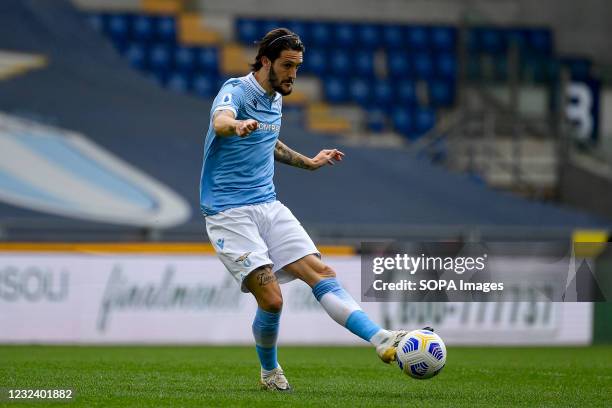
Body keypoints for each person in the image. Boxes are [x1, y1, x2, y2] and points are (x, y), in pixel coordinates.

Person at [200, 28, 418, 391]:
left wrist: (310, 162)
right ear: (266, 61)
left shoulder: (276, 100)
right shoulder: (237, 91)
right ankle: (269, 372)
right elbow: (220, 121)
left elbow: (270, 142)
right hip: (228, 212)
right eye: (287, 65)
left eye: (298, 67)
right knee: (272, 300)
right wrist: (235, 125)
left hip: (267, 203)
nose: (293, 75)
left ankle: (382, 340)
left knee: (321, 271)